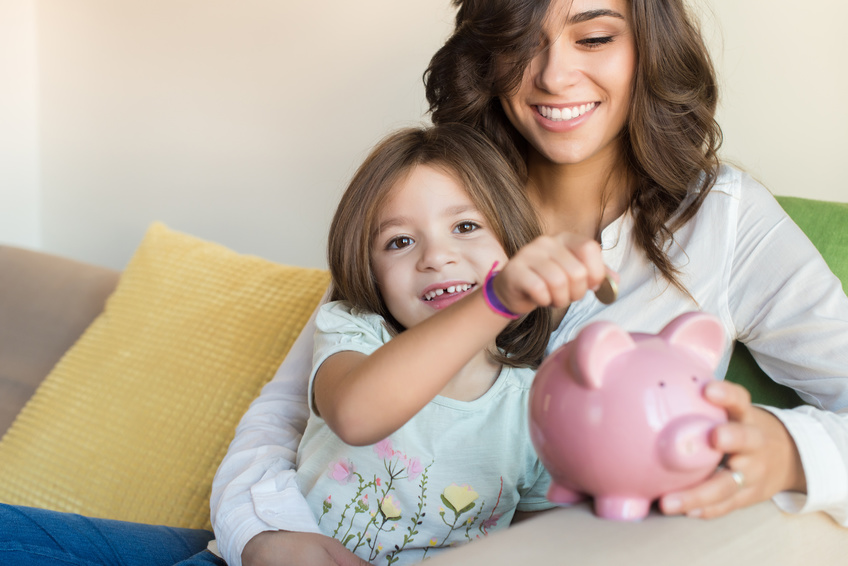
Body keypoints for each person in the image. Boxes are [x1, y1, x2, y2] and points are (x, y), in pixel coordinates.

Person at [211, 1, 848, 565]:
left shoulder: (725, 220)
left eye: (594, 37)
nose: (552, 75)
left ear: (649, 44)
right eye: (521, 42)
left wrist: (793, 452)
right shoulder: (438, 193)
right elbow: (292, 408)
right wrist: (263, 535)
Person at [295, 123, 573, 564]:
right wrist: (496, 299)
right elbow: (354, 414)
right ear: (369, 271)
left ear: (513, 241)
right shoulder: (355, 332)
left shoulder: (536, 406)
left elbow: (533, 547)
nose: (436, 257)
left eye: (465, 226)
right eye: (400, 241)